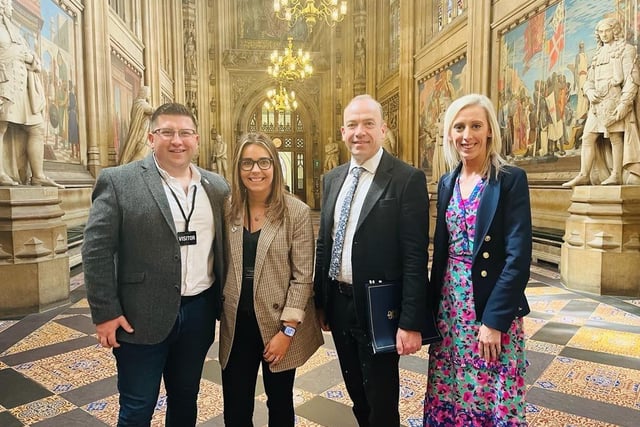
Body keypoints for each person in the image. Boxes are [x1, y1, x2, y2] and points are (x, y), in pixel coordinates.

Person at [82, 103, 229, 426]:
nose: (177, 140)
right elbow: (96, 250)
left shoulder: (216, 188)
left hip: (199, 313)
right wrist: (105, 313)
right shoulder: (120, 181)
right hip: (139, 316)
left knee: (185, 400)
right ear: (151, 137)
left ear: (197, 139)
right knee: (137, 406)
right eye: (167, 132)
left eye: (185, 133)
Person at [314, 94, 437, 427]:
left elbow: (415, 256)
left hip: (380, 306)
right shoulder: (333, 179)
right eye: (352, 125)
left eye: (368, 123)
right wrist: (320, 302)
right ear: (342, 131)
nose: (360, 132)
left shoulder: (406, 179)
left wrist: (411, 321)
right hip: (339, 304)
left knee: (381, 399)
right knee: (356, 391)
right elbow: (325, 243)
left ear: (383, 129)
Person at [423, 94, 531, 425]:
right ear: (449, 134)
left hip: (489, 303)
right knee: (451, 385)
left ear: (489, 132)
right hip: (450, 306)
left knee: (491, 387)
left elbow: (518, 257)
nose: (466, 135)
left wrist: (495, 321)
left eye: (475, 126)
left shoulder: (509, 179)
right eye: (459, 127)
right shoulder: (447, 182)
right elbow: (440, 251)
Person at [218, 132, 323, 426]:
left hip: (277, 326)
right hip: (236, 326)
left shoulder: (296, 212)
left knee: (280, 404)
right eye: (247, 163)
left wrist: (287, 332)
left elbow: (303, 278)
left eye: (264, 162)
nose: (255, 170)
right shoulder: (227, 209)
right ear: (238, 169)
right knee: (236, 409)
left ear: (275, 167)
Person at [563, 18, 640, 187]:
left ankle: (616, 174)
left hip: (614, 98)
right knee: (588, 138)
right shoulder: (597, 54)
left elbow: (632, 80)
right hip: (596, 104)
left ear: (615, 30)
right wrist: (589, 91)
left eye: (607, 30)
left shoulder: (626, 50)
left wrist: (624, 104)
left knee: (615, 137)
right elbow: (589, 80)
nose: (604, 35)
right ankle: (584, 174)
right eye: (601, 32)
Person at [0, 0, 60, 187]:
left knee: (36, 128)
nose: (10, 6)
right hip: (6, 83)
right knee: (0, 128)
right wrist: (15, 55)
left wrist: (31, 58)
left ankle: (38, 175)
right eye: (7, 4)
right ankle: (1, 173)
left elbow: (35, 59)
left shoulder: (14, 30)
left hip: (25, 89)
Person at [119, 86, 153, 165]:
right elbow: (153, 110)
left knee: (145, 151)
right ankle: (130, 170)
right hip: (141, 131)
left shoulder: (138, 103)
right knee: (142, 151)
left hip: (144, 130)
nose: (149, 96)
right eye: (148, 94)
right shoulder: (141, 103)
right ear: (144, 93)